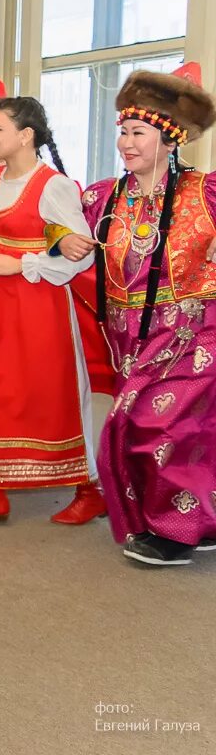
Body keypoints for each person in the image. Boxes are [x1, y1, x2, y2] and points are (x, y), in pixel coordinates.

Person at [0, 97, 111, 524]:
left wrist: (22, 263)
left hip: (40, 304)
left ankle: (89, 488)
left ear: (25, 135)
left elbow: (81, 255)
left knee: (48, 393)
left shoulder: (54, 186)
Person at [70, 65, 216, 565]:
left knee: (159, 424)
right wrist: (60, 239)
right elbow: (52, 227)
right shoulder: (103, 196)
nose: (127, 142)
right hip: (130, 334)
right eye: (123, 132)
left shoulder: (205, 193)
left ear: (171, 139)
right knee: (160, 428)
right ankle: (199, 516)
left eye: (139, 133)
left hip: (195, 330)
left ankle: (175, 532)